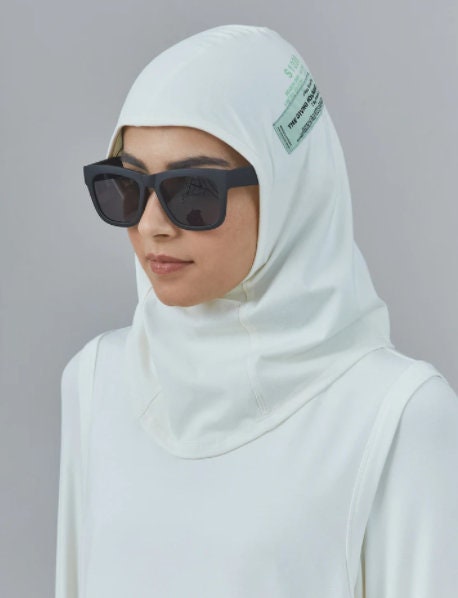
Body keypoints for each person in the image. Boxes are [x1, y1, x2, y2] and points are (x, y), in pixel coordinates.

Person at [55, 24, 458, 598]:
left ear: (288, 187)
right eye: (125, 185)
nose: (151, 224)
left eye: (192, 191)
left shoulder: (399, 417)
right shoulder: (96, 382)